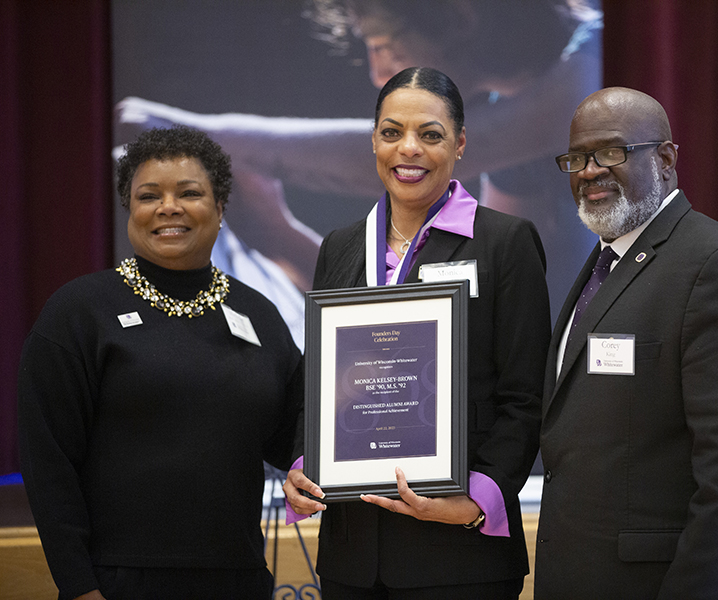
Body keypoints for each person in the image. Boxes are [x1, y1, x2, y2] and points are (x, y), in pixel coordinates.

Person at [114, 0, 601, 326]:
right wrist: (278, 235)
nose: (379, 74)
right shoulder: (511, 132)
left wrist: (186, 134)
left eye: (385, 42)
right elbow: (448, 318)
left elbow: (392, 153)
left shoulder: (593, 58)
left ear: (459, 18)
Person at [533, 87, 718, 599]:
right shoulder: (603, 266)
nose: (591, 170)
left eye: (613, 152)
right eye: (577, 157)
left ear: (665, 159)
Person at [282, 67, 551, 599]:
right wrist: (301, 465)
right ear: (374, 140)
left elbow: (528, 397)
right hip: (353, 557)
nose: (409, 149)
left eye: (430, 134)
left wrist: (477, 500)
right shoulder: (339, 246)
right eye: (391, 132)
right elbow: (320, 385)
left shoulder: (504, 243)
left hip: (460, 555)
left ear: (460, 144)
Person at [17, 126, 304, 600]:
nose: (168, 207)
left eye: (189, 192)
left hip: (240, 576)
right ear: (130, 208)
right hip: (119, 581)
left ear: (219, 206)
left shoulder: (259, 313)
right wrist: (79, 585)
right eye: (149, 195)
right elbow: (48, 461)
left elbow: (293, 432)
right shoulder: (80, 311)